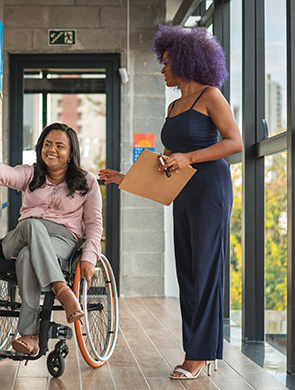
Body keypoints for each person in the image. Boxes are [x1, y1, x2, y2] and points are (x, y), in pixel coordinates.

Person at [99, 25, 243, 380]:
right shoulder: (174, 105)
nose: (162, 70)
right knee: (188, 269)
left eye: (165, 63)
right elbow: (164, 160)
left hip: (210, 186)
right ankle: (195, 348)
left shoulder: (211, 96)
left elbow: (235, 142)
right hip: (185, 189)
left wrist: (188, 158)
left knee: (206, 268)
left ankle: (200, 354)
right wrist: (124, 178)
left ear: (184, 61)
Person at [0, 122, 103, 356]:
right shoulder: (30, 173)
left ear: (71, 153)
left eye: (59, 146)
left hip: (61, 241)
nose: (52, 150)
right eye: (47, 144)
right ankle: (61, 289)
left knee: (28, 256)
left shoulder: (87, 182)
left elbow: (95, 223)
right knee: (32, 225)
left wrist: (90, 256)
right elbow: (5, 173)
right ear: (40, 147)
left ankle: (29, 335)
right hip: (19, 238)